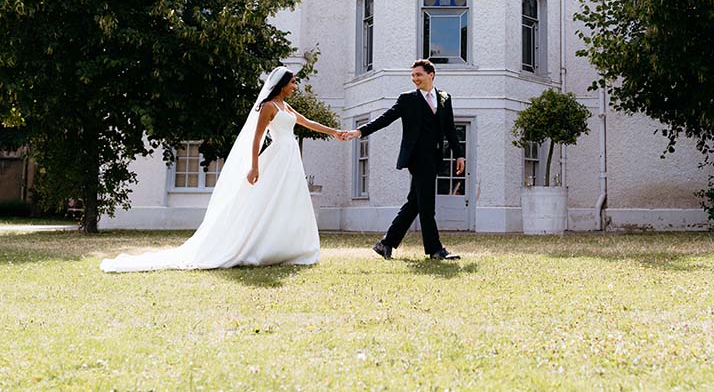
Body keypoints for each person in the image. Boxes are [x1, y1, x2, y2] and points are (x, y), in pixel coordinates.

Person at [100, 66, 345, 272]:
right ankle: (256, 245)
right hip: (277, 156)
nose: (295, 86)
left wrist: (334, 132)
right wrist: (254, 166)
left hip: (290, 158)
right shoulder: (269, 106)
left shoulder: (286, 106)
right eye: (293, 82)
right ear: (282, 83)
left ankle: (291, 247)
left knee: (290, 200)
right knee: (266, 200)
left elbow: (308, 123)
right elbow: (257, 138)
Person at [344, 59, 465, 261]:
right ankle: (435, 250)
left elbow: (450, 129)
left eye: (418, 75)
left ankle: (386, 243)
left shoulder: (445, 98)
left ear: (431, 75)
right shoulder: (407, 99)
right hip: (417, 158)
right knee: (427, 205)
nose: (415, 79)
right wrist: (360, 131)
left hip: (434, 158)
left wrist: (459, 154)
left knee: (415, 203)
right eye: (413, 76)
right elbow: (386, 118)